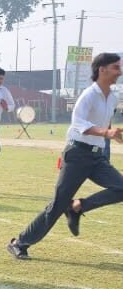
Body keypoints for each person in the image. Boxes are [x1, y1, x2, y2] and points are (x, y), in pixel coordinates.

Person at [7, 53, 123, 260]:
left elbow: (103, 123)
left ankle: (77, 207)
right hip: (77, 155)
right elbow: (78, 124)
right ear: (102, 69)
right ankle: (19, 242)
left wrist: (112, 135)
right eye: (116, 67)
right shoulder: (88, 95)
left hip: (97, 157)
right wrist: (106, 132)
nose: (119, 72)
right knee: (57, 205)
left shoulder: (112, 97)